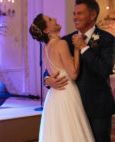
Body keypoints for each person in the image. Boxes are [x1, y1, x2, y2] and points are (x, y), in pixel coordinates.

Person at [44, 0, 115, 142]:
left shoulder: (106, 39)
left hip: (97, 107)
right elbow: (52, 66)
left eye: (79, 13)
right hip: (71, 107)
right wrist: (47, 80)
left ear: (92, 15)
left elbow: (104, 69)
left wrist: (84, 47)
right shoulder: (65, 40)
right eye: (74, 13)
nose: (75, 17)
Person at [29, 14, 95, 142]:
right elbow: (74, 74)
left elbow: (53, 71)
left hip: (54, 97)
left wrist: (48, 79)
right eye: (50, 19)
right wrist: (77, 49)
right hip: (67, 93)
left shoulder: (46, 48)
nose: (55, 18)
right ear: (46, 30)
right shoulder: (62, 44)